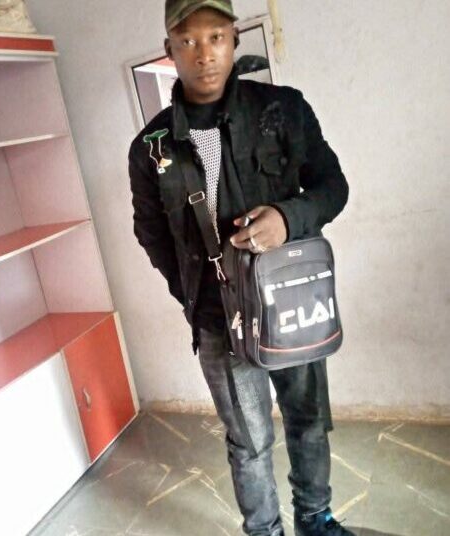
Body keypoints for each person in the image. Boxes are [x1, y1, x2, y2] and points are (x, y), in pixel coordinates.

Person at [128, 1, 352, 535]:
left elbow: (333, 187)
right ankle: (264, 530)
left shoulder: (283, 109)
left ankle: (315, 519)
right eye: (187, 41)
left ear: (234, 39)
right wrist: (195, 295)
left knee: (308, 421)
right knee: (249, 442)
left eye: (215, 37)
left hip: (290, 303)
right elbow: (150, 231)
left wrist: (288, 218)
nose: (203, 54)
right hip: (218, 321)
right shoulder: (151, 147)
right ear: (169, 50)